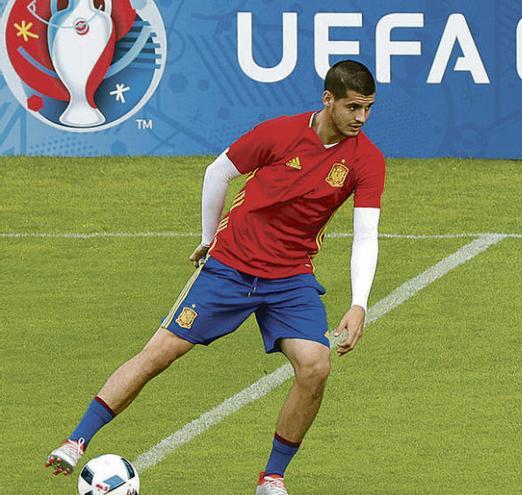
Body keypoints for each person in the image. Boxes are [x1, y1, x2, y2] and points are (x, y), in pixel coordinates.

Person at [45, 60, 385, 495]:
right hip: (231, 267)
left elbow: (366, 234)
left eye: (368, 109)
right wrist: (209, 239)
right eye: (353, 107)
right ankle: (76, 441)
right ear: (328, 100)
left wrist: (359, 303)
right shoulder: (279, 133)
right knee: (158, 354)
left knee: (315, 366)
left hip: (290, 278)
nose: (361, 118)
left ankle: (272, 478)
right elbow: (218, 171)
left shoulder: (367, 160)